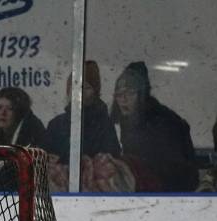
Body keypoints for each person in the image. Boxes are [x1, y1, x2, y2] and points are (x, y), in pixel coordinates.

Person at [110, 61, 198, 192]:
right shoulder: (129, 119)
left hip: (172, 194)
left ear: (142, 94)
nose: (123, 99)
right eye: (119, 94)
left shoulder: (164, 122)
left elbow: (176, 170)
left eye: (130, 92)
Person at [44, 60, 121, 162]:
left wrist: (62, 160)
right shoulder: (56, 124)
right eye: (75, 85)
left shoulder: (104, 125)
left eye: (87, 87)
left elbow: (108, 162)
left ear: (95, 92)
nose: (80, 92)